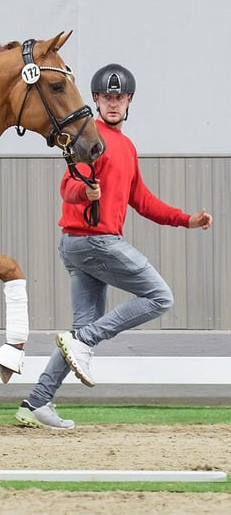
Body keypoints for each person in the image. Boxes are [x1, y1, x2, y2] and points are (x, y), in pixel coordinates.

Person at [14, 63, 213, 429]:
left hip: (83, 245)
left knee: (78, 333)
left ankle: (37, 402)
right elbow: (68, 187)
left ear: (129, 101)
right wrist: (84, 191)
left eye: (119, 97)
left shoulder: (127, 147)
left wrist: (187, 219)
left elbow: (143, 200)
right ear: (95, 100)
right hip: (94, 241)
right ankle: (86, 341)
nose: (113, 103)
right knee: (160, 297)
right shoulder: (92, 139)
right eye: (107, 97)